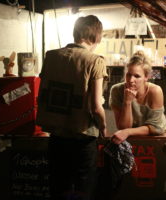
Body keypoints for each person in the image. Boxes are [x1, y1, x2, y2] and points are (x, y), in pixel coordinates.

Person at [36, 15, 108, 200]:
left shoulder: (51, 57)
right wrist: (103, 126)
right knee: (84, 191)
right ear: (96, 36)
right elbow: (95, 106)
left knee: (58, 190)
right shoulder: (95, 61)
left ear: (76, 33)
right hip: (83, 139)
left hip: (57, 138)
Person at [109, 51, 166, 145]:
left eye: (137, 76)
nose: (131, 80)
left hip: (159, 137)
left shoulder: (155, 91)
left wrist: (128, 132)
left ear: (146, 77)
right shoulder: (116, 90)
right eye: (129, 74)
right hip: (133, 138)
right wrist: (127, 101)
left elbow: (156, 128)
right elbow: (123, 127)